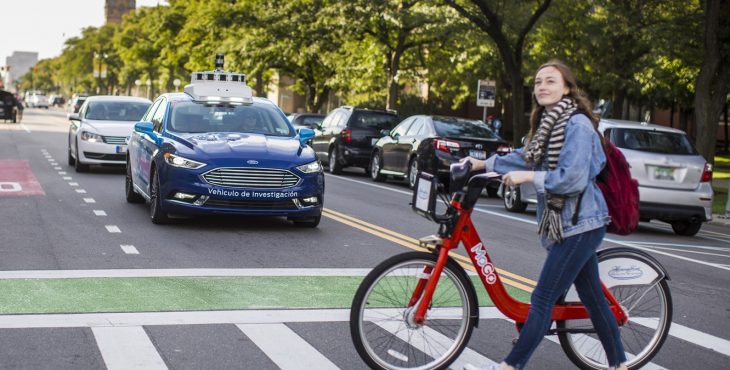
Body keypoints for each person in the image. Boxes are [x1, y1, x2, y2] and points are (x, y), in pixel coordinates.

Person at [461, 60, 628, 370]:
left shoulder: (576, 125)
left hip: (581, 224)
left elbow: (572, 178)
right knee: (592, 298)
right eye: (538, 82)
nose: (542, 87)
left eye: (550, 81)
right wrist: (481, 164)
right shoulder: (549, 125)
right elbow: (525, 157)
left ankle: (511, 365)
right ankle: (620, 363)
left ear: (567, 87)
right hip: (567, 223)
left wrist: (529, 178)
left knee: (542, 299)